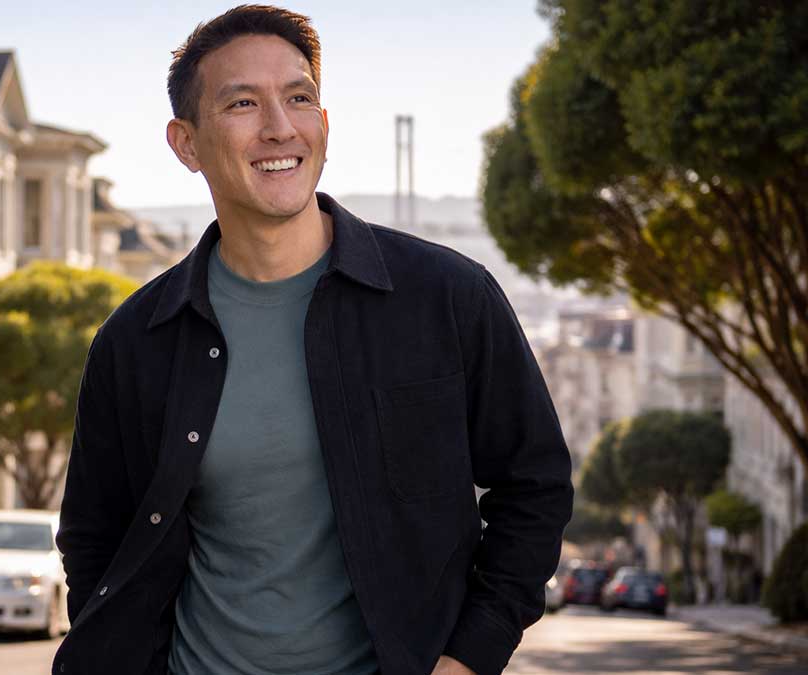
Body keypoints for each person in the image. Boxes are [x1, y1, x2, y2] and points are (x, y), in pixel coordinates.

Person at [53, 5, 573, 674]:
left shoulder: (448, 298)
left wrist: (469, 656)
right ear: (186, 143)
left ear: (322, 124)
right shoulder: (135, 342)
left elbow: (536, 487)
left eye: (298, 98)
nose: (279, 127)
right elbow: (94, 539)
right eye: (242, 103)